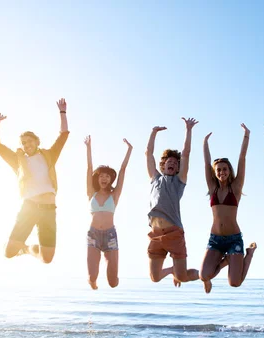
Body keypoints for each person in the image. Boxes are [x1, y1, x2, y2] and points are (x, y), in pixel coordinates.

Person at [0, 98, 69, 263]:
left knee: (47, 259)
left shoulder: (49, 156)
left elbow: (63, 136)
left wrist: (63, 112)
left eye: (30, 141)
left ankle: (26, 249)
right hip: (29, 208)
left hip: (48, 210)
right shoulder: (17, 161)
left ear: (37, 141)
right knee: (9, 253)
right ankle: (21, 247)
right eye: (23, 143)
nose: (27, 145)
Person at [200, 123, 258, 293]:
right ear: (215, 172)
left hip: (233, 239)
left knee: (235, 282)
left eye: (224, 169)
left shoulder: (236, 187)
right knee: (204, 275)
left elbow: (242, 158)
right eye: (218, 170)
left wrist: (246, 135)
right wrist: (204, 143)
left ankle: (250, 253)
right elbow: (206, 163)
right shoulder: (213, 188)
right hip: (215, 239)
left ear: (229, 170)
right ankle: (224, 261)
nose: (221, 172)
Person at [145, 117, 200, 286]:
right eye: (169, 162)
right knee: (154, 277)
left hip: (174, 233)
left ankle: (204, 275)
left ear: (177, 169)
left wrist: (188, 130)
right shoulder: (155, 179)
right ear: (163, 166)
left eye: (175, 163)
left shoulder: (178, 182)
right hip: (155, 234)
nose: (172, 163)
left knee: (182, 276)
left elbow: (186, 153)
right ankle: (172, 271)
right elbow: (148, 154)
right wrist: (153, 133)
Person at [84, 135, 133, 290]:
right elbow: (89, 168)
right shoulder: (91, 192)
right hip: (93, 235)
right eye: (101, 176)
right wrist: (88, 148)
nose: (104, 178)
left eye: (107, 176)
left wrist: (129, 150)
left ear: (111, 179)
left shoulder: (114, 195)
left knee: (113, 282)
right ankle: (92, 281)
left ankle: (113, 274)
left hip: (110, 235)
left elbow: (123, 170)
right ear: (97, 179)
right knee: (92, 276)